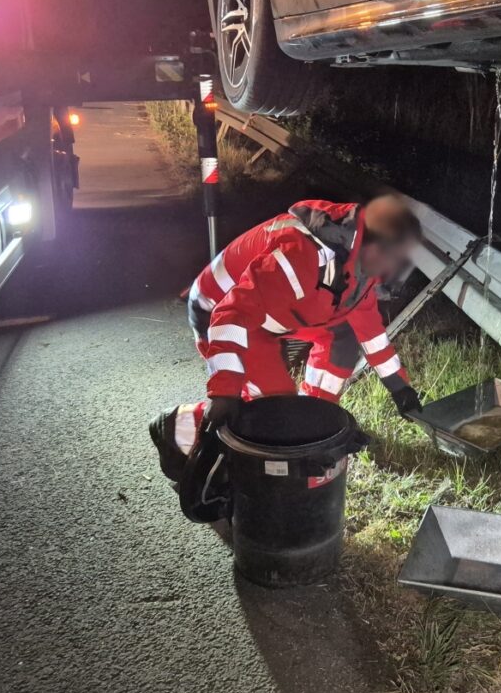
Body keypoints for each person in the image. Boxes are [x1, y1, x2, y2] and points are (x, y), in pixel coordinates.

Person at [149, 195, 423, 480]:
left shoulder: (359, 266)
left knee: (344, 336)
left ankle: (313, 420)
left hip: (271, 313)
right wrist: (226, 391)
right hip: (219, 309)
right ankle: (177, 426)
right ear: (377, 248)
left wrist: (399, 388)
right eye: (398, 258)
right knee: (272, 412)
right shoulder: (301, 255)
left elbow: (371, 333)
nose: (398, 270)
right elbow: (231, 315)